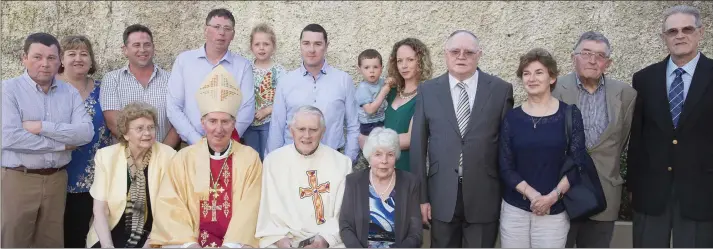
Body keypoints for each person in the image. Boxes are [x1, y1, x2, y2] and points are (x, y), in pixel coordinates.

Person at [410, 30, 513, 248]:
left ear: (479, 55)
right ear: (445, 54)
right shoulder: (428, 91)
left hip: (485, 196)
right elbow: (418, 148)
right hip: (441, 195)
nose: (461, 56)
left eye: (469, 52)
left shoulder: (500, 90)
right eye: (455, 51)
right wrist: (421, 197)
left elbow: (507, 149)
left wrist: (507, 196)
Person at [627, 5, 713, 248]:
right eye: (672, 31)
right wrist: (633, 185)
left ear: (700, 33)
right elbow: (638, 136)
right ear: (664, 37)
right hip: (651, 192)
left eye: (687, 29)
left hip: (703, 191)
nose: (680, 35)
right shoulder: (644, 78)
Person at [151, 65, 263, 248]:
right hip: (190, 241)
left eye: (225, 122)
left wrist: (231, 244)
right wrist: (188, 243)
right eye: (212, 121)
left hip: (235, 243)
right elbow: (170, 204)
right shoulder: (184, 159)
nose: (219, 129)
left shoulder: (249, 159)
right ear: (203, 123)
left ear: (234, 123)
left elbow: (251, 207)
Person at [1, 32, 94, 247]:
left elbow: (85, 133)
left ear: (59, 60)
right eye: (37, 57)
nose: (45, 64)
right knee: (13, 240)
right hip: (18, 179)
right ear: (24, 58)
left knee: (50, 242)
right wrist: (61, 144)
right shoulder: (7, 90)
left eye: (51, 58)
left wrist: (42, 127)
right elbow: (8, 137)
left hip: (56, 181)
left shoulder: (69, 92)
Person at [552, 31, 637, 248]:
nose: (592, 60)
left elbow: (623, 138)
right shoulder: (553, 88)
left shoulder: (625, 94)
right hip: (560, 191)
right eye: (586, 53)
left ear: (608, 63)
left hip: (605, 190)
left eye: (600, 55)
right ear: (573, 57)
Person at [499, 48, 588, 248]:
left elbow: (577, 163)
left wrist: (551, 197)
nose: (532, 78)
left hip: (553, 210)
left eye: (539, 72)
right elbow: (505, 166)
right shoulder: (512, 118)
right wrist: (533, 196)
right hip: (515, 210)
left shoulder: (570, 115)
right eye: (526, 73)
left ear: (552, 77)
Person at [256, 105, 353, 248]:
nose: (307, 136)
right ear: (291, 131)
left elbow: (344, 214)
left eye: (313, 130)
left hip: (326, 240)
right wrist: (279, 240)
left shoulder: (342, 163)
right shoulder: (273, 162)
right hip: (284, 239)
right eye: (301, 129)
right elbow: (266, 212)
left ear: (323, 132)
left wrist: (323, 240)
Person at [87, 102, 176, 248]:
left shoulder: (168, 156)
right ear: (126, 134)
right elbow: (100, 210)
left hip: (155, 233)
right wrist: (107, 246)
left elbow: (168, 210)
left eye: (151, 127)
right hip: (111, 230)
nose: (147, 133)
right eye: (140, 128)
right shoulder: (106, 156)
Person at [266, 24, 359, 163]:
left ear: (326, 46)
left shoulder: (343, 80)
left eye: (318, 44)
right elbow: (276, 127)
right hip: (292, 162)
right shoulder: (286, 82)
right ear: (300, 45)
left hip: (331, 162)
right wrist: (272, 163)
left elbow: (353, 125)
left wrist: (348, 161)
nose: (311, 49)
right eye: (306, 43)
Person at [167, 8, 255, 145]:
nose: (221, 33)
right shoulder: (184, 61)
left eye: (227, 28)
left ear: (233, 35)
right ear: (205, 30)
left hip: (230, 144)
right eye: (216, 27)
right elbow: (174, 107)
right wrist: (196, 140)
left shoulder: (243, 66)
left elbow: (247, 109)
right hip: (191, 145)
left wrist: (224, 140)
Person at [57, 35, 113, 248]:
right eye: (71, 54)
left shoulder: (104, 89)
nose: (78, 58)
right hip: (64, 174)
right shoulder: (53, 90)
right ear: (62, 60)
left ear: (91, 60)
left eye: (84, 53)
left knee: (99, 233)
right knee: (70, 234)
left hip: (101, 174)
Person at [339, 128, 422, 248]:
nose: (384, 160)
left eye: (390, 154)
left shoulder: (409, 182)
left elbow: (415, 233)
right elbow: (345, 226)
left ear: (396, 157)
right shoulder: (354, 182)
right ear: (369, 156)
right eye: (378, 154)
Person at [101, 24, 179, 148]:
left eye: (147, 45)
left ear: (153, 48)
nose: (142, 50)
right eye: (136, 45)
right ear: (125, 50)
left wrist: (162, 154)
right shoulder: (112, 79)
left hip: (164, 158)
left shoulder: (171, 79)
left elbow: (178, 122)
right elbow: (113, 122)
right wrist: (137, 153)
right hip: (126, 157)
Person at [382, 38, 433, 171]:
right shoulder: (391, 92)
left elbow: (410, 139)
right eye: (399, 61)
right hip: (382, 166)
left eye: (410, 60)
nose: (404, 65)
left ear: (420, 62)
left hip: (408, 167)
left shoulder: (425, 95)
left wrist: (374, 142)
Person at [243, 23, 287, 160]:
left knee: (268, 157)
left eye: (266, 44)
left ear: (273, 47)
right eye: (257, 44)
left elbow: (284, 99)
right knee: (252, 158)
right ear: (251, 47)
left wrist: (266, 111)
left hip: (269, 123)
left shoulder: (279, 71)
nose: (261, 48)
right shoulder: (246, 68)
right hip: (248, 124)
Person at [355, 49, 388, 149]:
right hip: (369, 125)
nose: (371, 71)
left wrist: (391, 81)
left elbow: (392, 83)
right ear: (359, 69)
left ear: (381, 68)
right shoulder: (363, 88)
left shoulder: (382, 82)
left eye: (375, 67)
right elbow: (369, 110)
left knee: (384, 147)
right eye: (366, 67)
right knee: (373, 150)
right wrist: (384, 91)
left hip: (382, 121)